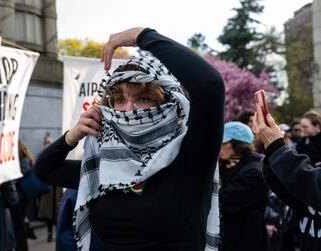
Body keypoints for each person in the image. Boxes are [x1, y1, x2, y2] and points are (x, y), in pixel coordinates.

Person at [35, 27, 225, 250]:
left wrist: (141, 35)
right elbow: (44, 170)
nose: (128, 109)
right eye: (119, 99)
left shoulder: (192, 155)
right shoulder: (105, 165)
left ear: (168, 104)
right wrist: (72, 136)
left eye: (143, 98)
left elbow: (209, 85)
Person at [253, 106, 321, 250]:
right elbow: (294, 192)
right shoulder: (303, 142)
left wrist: (276, 147)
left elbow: (311, 183)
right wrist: (272, 153)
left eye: (305, 127)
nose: (302, 131)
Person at [219, 121, 268, 251]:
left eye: (223, 143)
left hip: (245, 239)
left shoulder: (255, 171)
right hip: (228, 236)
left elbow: (223, 199)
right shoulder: (228, 163)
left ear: (237, 145)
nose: (218, 147)